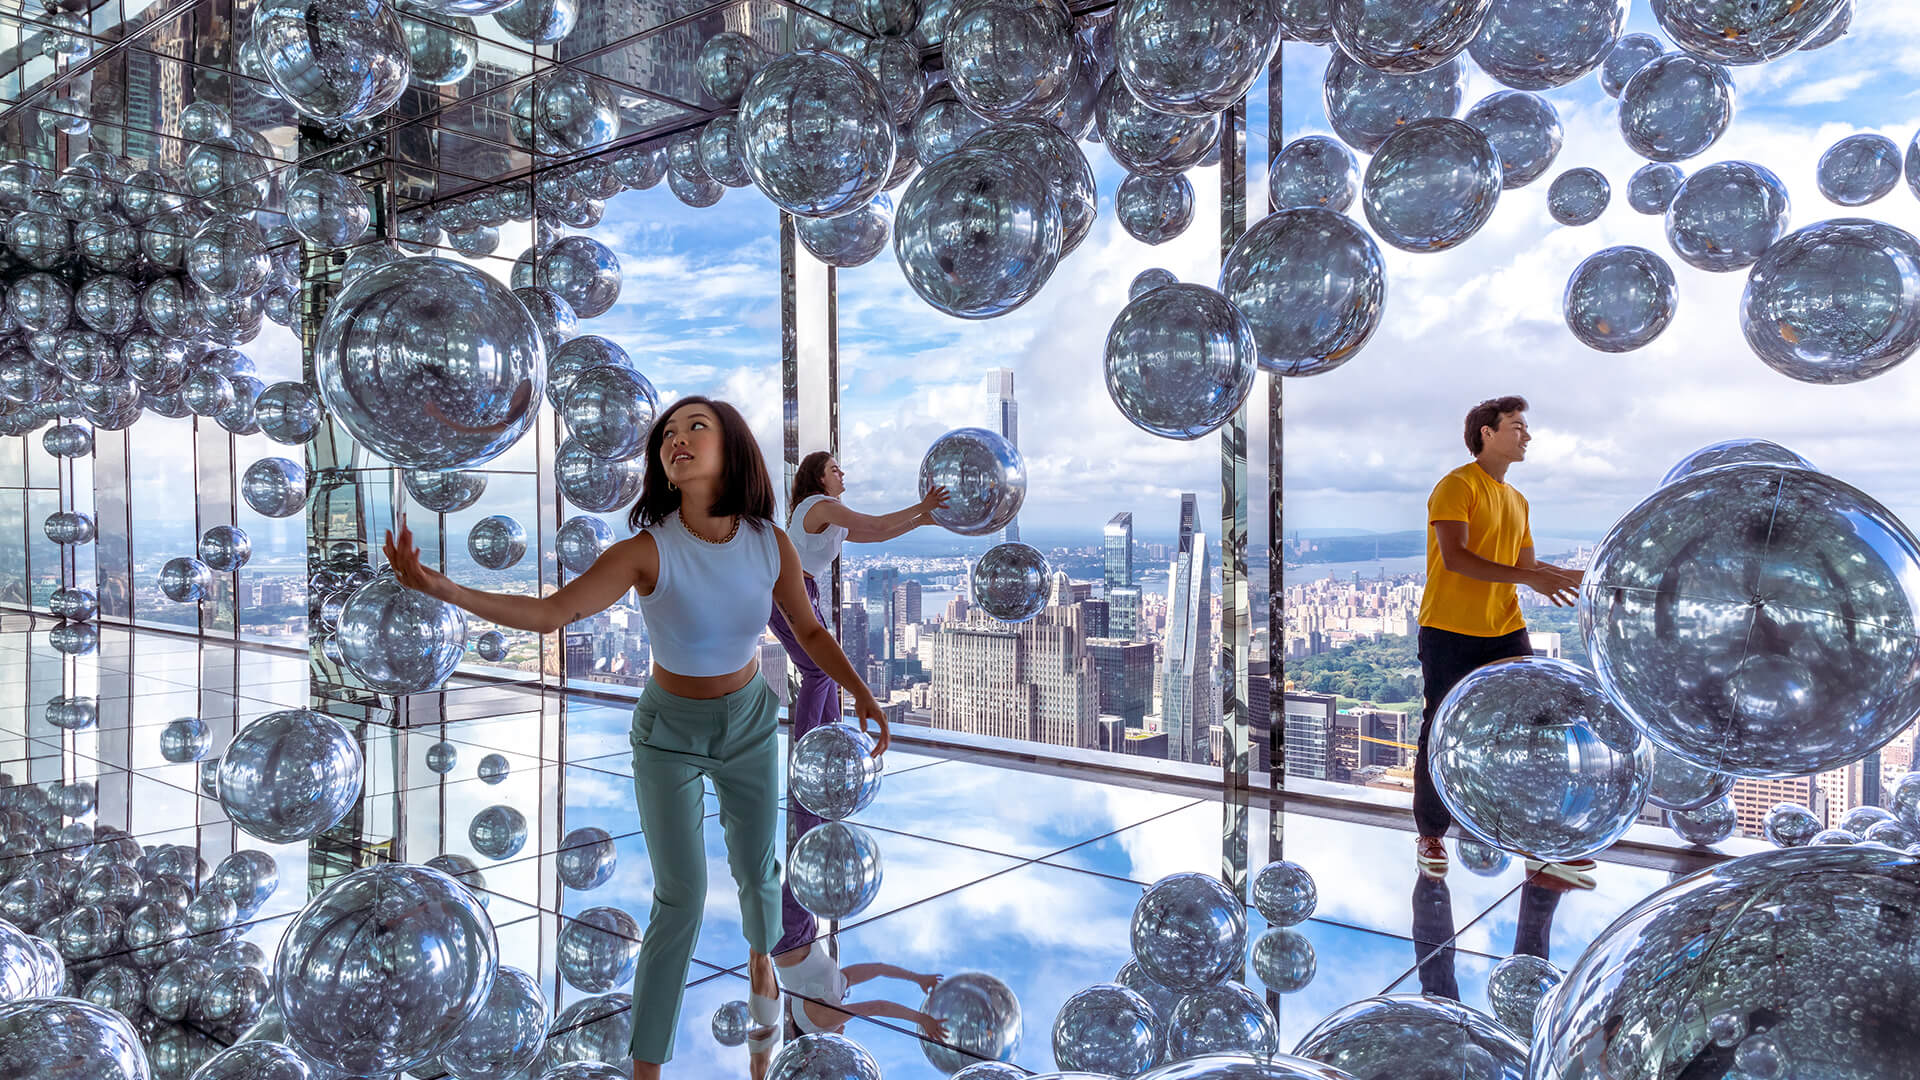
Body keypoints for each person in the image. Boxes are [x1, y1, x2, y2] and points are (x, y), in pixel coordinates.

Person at [382, 396, 889, 1079]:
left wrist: (858, 691)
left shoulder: (772, 543)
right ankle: (646, 1069)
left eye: (695, 428)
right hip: (668, 734)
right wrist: (441, 586)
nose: (675, 440)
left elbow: (809, 632)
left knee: (760, 882)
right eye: (666, 435)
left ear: (732, 449)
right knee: (679, 899)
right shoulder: (646, 551)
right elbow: (549, 614)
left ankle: (766, 1037)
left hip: (745, 723)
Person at [767, 451, 947, 960]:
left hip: (799, 592)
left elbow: (876, 533)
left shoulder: (825, 517)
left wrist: (922, 517)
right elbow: (871, 522)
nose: (843, 474)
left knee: (818, 670)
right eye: (836, 468)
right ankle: (810, 752)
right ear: (819, 478)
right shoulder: (820, 505)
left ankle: (821, 746)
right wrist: (921, 505)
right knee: (820, 669)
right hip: (791, 592)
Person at [1414, 396, 1586, 883]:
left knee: (1537, 727)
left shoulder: (1518, 501)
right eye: (1516, 426)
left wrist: (1566, 574)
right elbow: (1456, 559)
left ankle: (1538, 839)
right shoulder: (1455, 486)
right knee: (1439, 729)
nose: (1526, 436)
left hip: (1505, 628)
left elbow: (1526, 567)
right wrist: (1532, 579)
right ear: (1486, 433)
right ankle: (1430, 833)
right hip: (1449, 629)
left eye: (1525, 427)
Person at [775, 932, 949, 1043]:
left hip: (790, 938)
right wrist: (917, 978)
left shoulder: (819, 1023)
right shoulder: (834, 992)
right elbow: (878, 969)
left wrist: (922, 1020)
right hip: (803, 931)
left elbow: (877, 1007)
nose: (843, 1037)